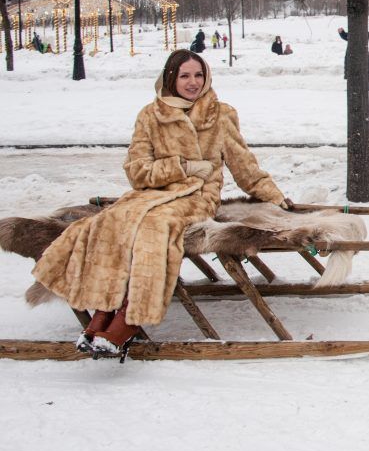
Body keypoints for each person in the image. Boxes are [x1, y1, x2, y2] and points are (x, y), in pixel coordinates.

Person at [31, 50, 293, 360]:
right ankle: (103, 310)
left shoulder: (220, 114)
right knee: (110, 221)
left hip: (197, 197)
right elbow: (136, 170)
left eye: (198, 75)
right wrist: (182, 166)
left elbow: (244, 165)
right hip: (150, 193)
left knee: (155, 226)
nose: (193, 82)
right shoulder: (150, 115)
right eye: (185, 76)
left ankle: (130, 317)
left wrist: (273, 195)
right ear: (171, 78)